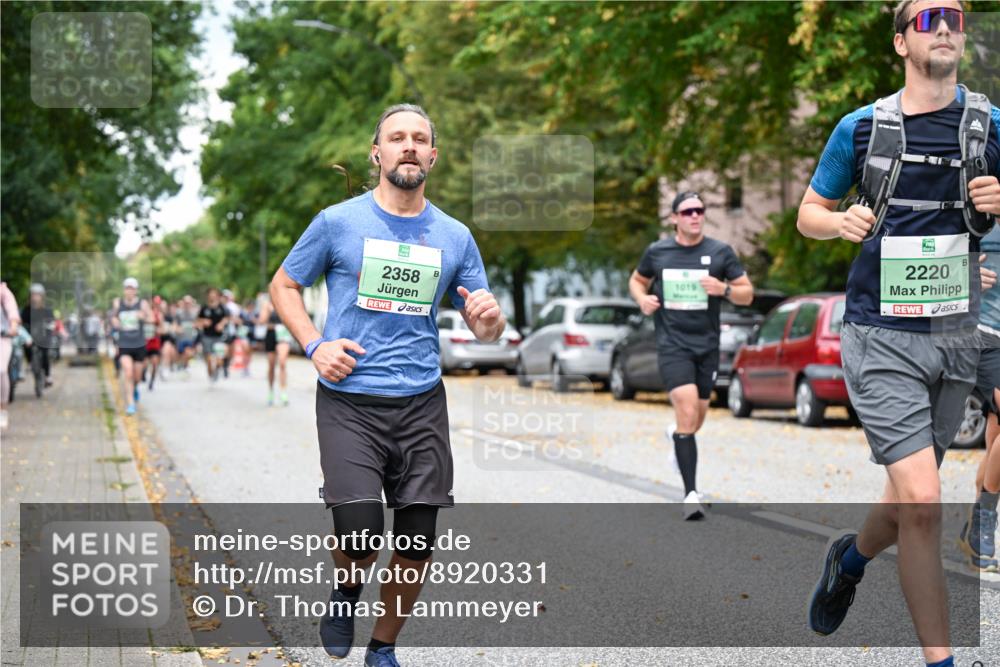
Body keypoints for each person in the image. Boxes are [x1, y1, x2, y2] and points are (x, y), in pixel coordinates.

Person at [796, 2, 1000, 664]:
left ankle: (849, 560)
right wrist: (838, 223)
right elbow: (808, 213)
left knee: (908, 500)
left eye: (956, 17)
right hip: (880, 335)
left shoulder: (992, 126)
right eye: (928, 17)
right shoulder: (861, 128)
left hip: (956, 334)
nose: (944, 27)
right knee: (924, 500)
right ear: (900, 42)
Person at [271, 103, 503, 667]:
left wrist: (490, 322)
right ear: (377, 153)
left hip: (421, 401)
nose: (409, 146)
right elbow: (283, 285)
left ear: (433, 156)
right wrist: (314, 345)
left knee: (417, 542)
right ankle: (347, 589)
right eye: (397, 137)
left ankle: (382, 647)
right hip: (350, 400)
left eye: (419, 138)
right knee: (360, 533)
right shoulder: (337, 223)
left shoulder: (454, 235)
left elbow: (483, 322)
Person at [628, 191, 753, 520]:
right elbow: (637, 281)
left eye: (699, 210)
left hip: (707, 347)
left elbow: (747, 293)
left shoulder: (720, 252)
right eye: (687, 212)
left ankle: (677, 436)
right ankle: (691, 495)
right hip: (673, 345)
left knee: (696, 419)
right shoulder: (658, 252)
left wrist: (724, 289)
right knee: (686, 411)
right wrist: (642, 300)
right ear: (674, 218)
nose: (695, 216)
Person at [960, 228, 1000, 571]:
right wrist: (964, 272)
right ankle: (986, 512)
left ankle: (976, 526)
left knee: (995, 440)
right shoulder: (979, 214)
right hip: (984, 332)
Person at [110, 278, 154, 416]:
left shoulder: (142, 304)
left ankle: (135, 388)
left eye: (132, 288)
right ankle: (130, 404)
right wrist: (115, 321)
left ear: (136, 290)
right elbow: (113, 318)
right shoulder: (118, 303)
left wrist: (143, 316)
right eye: (127, 288)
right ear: (124, 290)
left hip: (139, 344)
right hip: (124, 344)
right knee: (128, 372)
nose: (129, 291)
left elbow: (152, 319)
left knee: (137, 376)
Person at [20, 283, 55, 392]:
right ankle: (30, 362)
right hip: (31, 336)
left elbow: (51, 323)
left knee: (45, 353)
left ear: (42, 296)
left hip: (43, 336)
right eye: (33, 295)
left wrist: (49, 328)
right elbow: (22, 322)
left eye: (37, 295)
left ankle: (48, 375)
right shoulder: (26, 309)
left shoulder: (47, 310)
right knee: (25, 344)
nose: (35, 297)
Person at [258, 295, 290, 406]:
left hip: (283, 334)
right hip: (271, 334)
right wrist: (268, 310)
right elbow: (262, 321)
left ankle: (283, 392)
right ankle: (271, 391)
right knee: (271, 365)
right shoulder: (267, 304)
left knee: (282, 362)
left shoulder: (286, 301)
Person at [1, 281, 21, 429]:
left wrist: (13, 326)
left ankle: (2, 409)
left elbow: (12, 310)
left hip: (2, 338)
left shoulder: (3, 292)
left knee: (1, 371)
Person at [197, 288, 229, 383]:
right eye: (211, 294)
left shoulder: (222, 307)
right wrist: (204, 321)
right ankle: (211, 372)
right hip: (207, 336)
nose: (212, 296)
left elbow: (227, 318)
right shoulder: (204, 308)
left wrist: (221, 324)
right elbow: (198, 320)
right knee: (209, 358)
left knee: (220, 358)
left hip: (219, 336)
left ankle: (217, 369)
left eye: (214, 294)